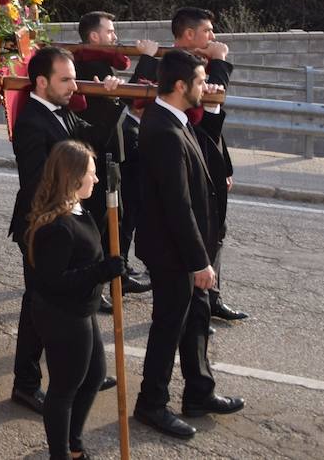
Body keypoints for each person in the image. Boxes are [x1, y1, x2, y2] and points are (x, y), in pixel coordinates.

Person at [133, 49, 244, 440]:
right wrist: (199, 261)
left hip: (188, 248)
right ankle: (151, 403)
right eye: (200, 81)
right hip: (173, 252)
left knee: (196, 321)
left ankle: (199, 392)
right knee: (169, 327)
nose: (206, 87)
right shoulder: (163, 129)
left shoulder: (177, 120)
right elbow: (176, 204)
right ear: (181, 86)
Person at [9, 46, 120, 414]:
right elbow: (37, 183)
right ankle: (26, 385)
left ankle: (84, 370)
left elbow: (96, 140)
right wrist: (63, 223)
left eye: (74, 77)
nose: (75, 85)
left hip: (66, 223)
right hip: (42, 229)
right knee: (37, 307)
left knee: (68, 301)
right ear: (41, 82)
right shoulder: (31, 122)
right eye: (66, 79)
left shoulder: (64, 114)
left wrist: (112, 97)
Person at [133, 7, 246, 323]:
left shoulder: (198, 64)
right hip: (188, 162)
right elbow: (206, 110)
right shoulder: (174, 70)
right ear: (188, 35)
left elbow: (214, 129)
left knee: (217, 230)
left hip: (210, 160)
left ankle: (211, 298)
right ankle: (195, 303)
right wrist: (221, 64)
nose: (213, 38)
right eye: (208, 31)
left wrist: (226, 167)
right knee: (193, 230)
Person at [27, 140, 125, 460]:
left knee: (94, 375)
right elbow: (54, 282)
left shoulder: (78, 209)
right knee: (64, 389)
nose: (95, 180)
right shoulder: (56, 227)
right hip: (63, 316)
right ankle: (62, 454)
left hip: (82, 310)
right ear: (72, 177)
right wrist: (100, 272)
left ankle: (73, 441)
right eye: (91, 174)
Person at [73, 11, 157, 298]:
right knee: (101, 222)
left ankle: (115, 275)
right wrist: (147, 59)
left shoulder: (98, 62)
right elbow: (124, 99)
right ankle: (95, 286)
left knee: (116, 219)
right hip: (96, 156)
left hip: (110, 155)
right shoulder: (90, 65)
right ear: (94, 36)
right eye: (110, 31)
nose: (115, 37)